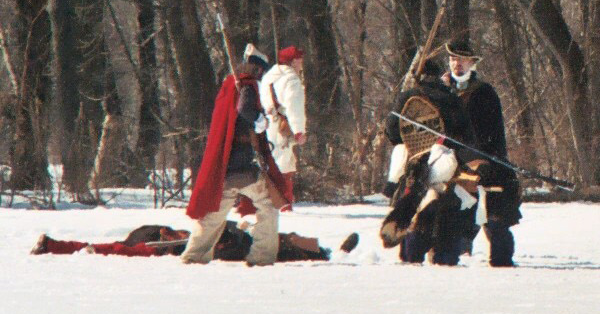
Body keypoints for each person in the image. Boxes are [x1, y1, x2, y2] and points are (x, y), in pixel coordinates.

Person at [181, 59, 292, 267]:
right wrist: (260, 121)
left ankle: (194, 255)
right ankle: (261, 256)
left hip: (227, 164)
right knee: (268, 204)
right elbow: (245, 110)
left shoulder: (232, 86)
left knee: (214, 215)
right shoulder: (246, 87)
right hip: (241, 164)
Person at [381, 59, 476, 266]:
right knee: (446, 211)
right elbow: (467, 136)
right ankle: (445, 255)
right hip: (446, 165)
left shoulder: (408, 97)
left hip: (414, 162)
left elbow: (392, 130)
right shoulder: (452, 98)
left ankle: (409, 251)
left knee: (413, 194)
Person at [443, 42, 523, 267]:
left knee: (494, 210)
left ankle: (500, 255)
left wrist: (486, 159)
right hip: (446, 159)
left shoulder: (484, 92)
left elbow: (495, 134)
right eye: (452, 59)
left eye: (462, 59)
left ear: (472, 63)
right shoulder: (439, 89)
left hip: (482, 158)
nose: (457, 64)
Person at [31, 223, 357, 262]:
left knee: (287, 241)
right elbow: (116, 249)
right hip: (217, 242)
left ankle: (329, 252)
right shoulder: (154, 245)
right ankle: (329, 253)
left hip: (235, 238)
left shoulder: (160, 238)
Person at [259, 46, 309, 211]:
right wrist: (299, 130)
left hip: (269, 124)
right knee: (284, 164)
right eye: (300, 60)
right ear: (293, 61)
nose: (301, 64)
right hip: (283, 125)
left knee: (272, 160)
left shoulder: (268, 77)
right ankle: (283, 203)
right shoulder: (292, 80)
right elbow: (294, 106)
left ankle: (272, 202)